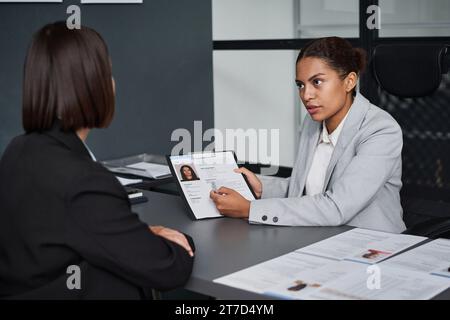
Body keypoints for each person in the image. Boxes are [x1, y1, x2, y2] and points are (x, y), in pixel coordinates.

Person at [0, 22, 194, 299]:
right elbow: (167, 268)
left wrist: (138, 234)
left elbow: (60, 236)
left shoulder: (17, 151)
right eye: (109, 74)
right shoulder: (84, 182)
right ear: (91, 86)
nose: (113, 83)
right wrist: (182, 241)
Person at [210, 36, 406, 233]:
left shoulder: (380, 130)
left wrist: (250, 209)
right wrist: (262, 187)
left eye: (317, 82)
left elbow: (337, 207)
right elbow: (304, 190)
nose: (306, 95)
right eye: (300, 85)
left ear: (349, 82)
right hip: (319, 238)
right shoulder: (313, 123)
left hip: (371, 247)